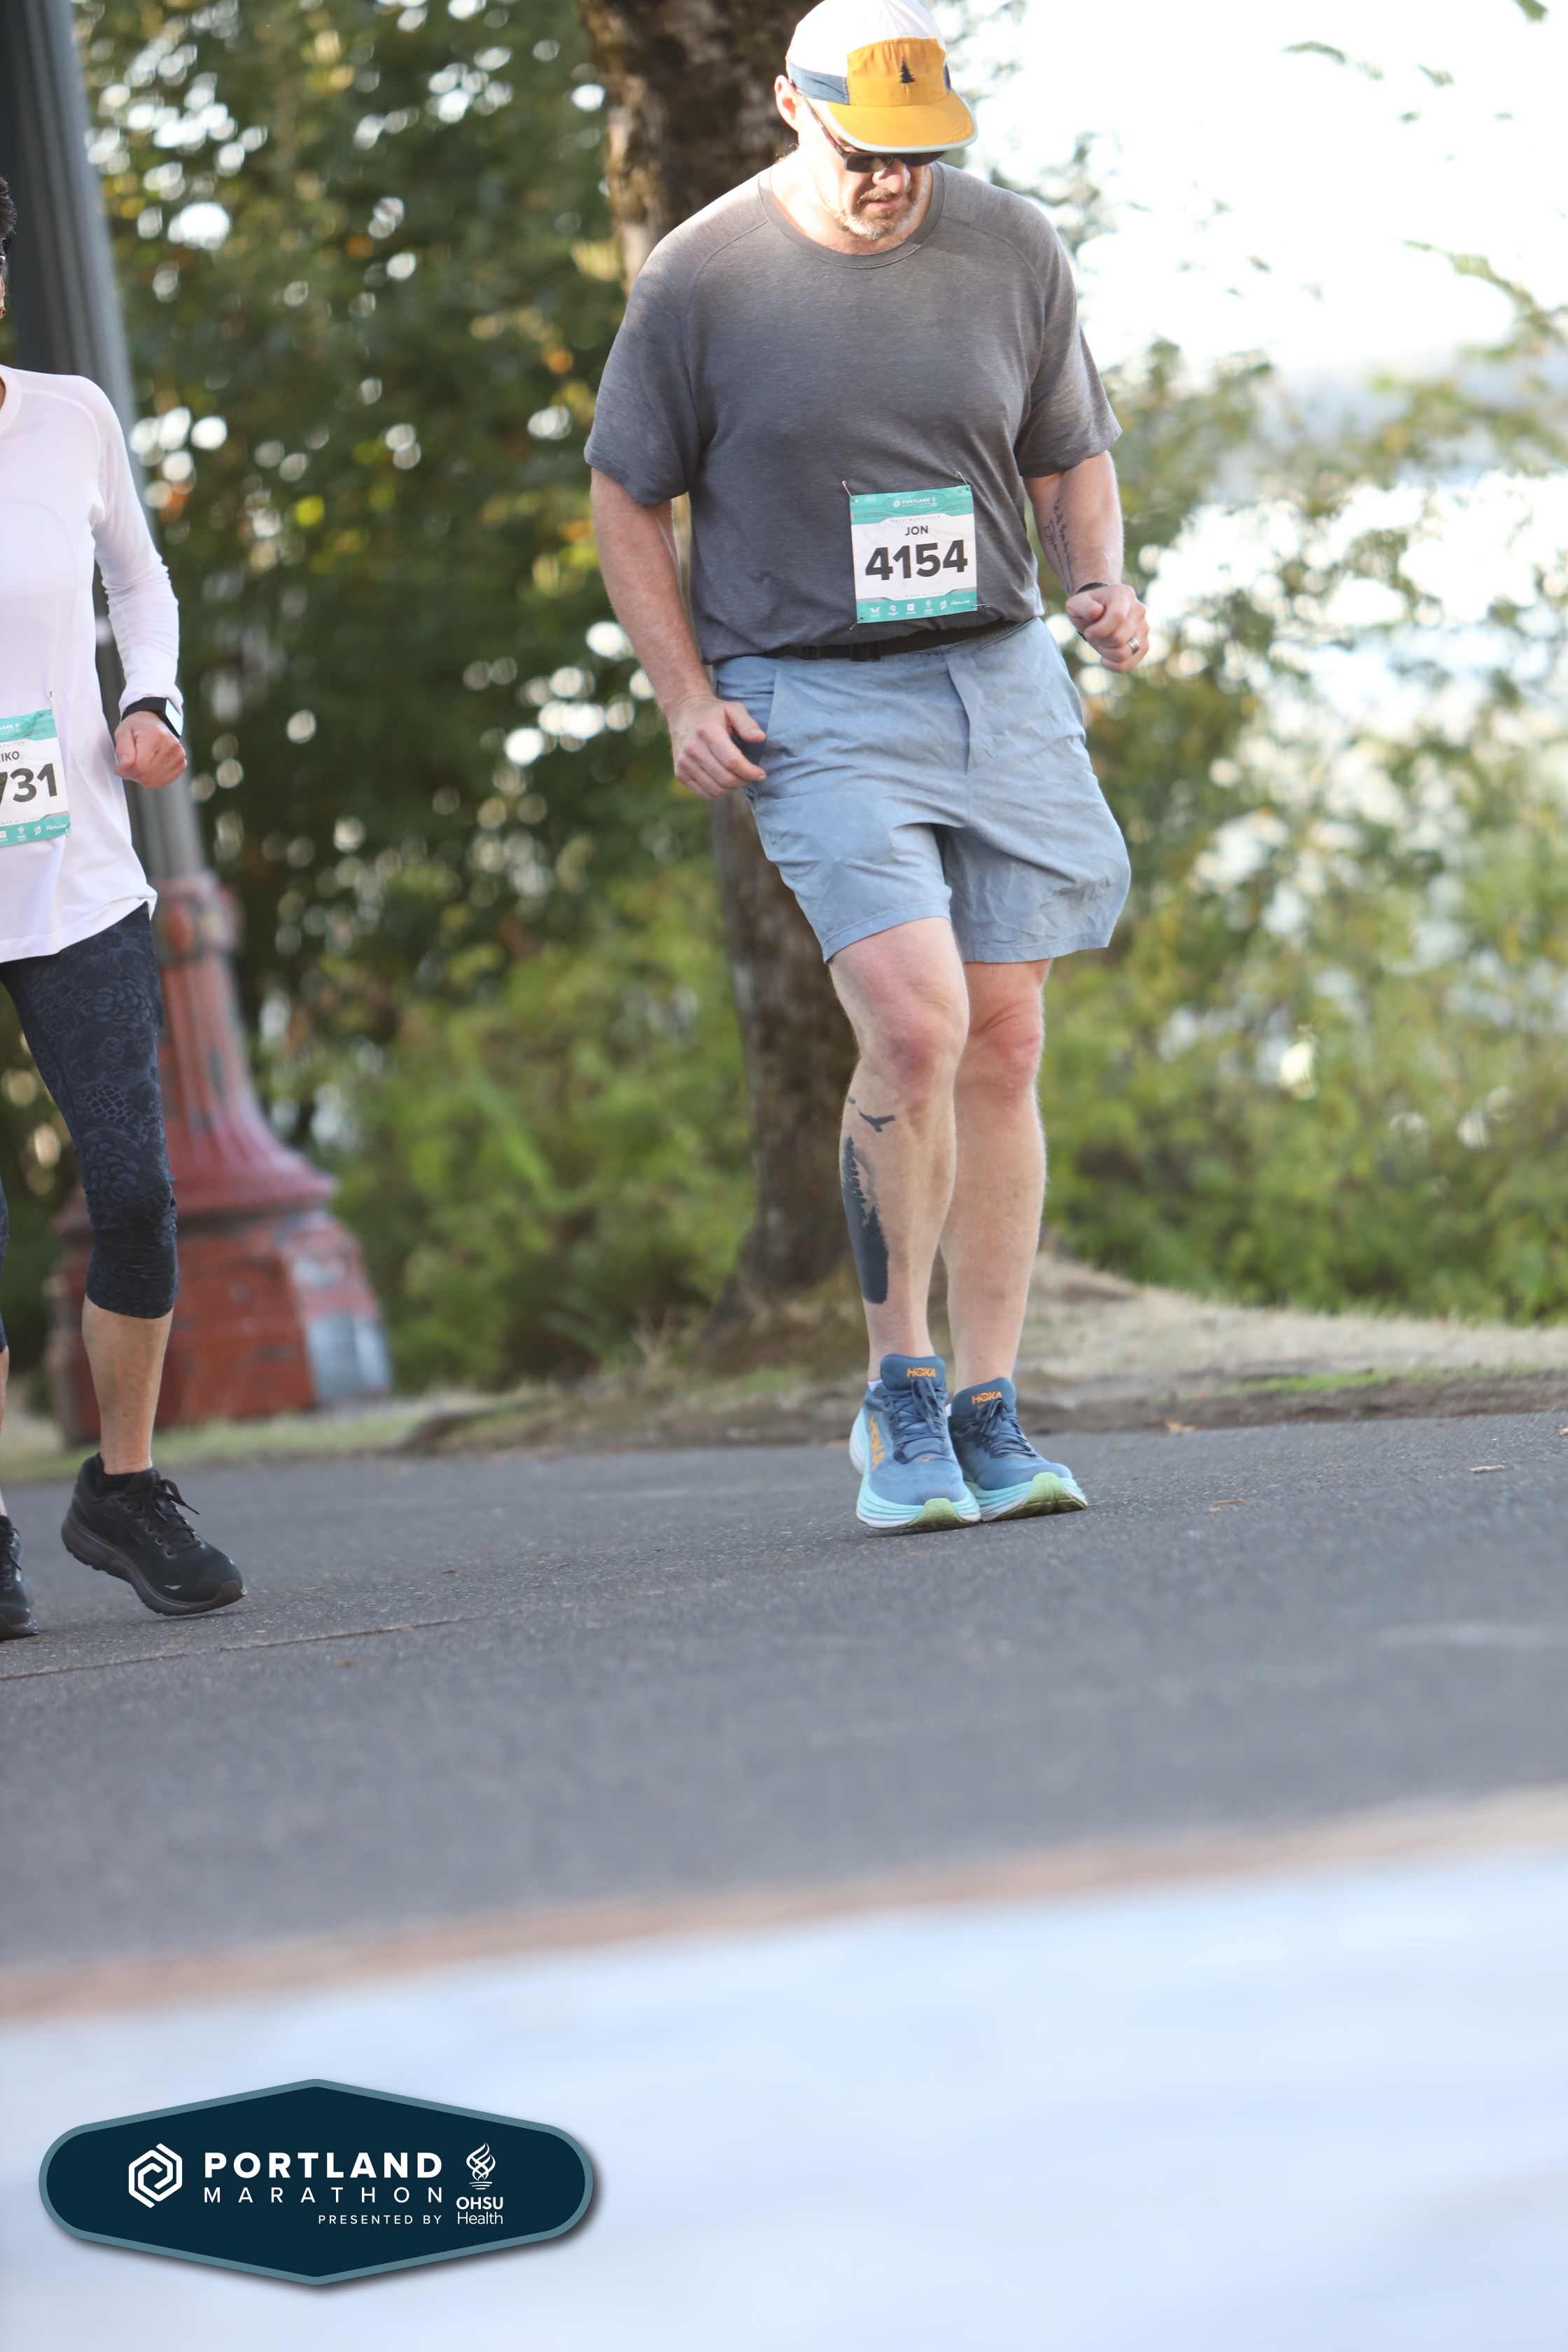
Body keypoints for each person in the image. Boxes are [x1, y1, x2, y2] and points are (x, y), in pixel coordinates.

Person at [587, 0, 1147, 1534]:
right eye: (865, 150)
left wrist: (1099, 580)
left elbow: (1068, 450)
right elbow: (626, 497)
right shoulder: (702, 274)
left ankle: (988, 1407)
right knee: (914, 1024)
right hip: (809, 697)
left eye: (919, 152)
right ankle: (898, 1389)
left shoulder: (1011, 245)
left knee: (1006, 1042)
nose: (894, 179)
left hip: (995, 676)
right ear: (792, 105)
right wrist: (684, 696)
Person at [0, 176, 241, 1637]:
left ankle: (125, 1489)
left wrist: (149, 699)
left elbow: (139, 585)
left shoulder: (67, 417)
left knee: (137, 1193)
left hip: (74, 866)